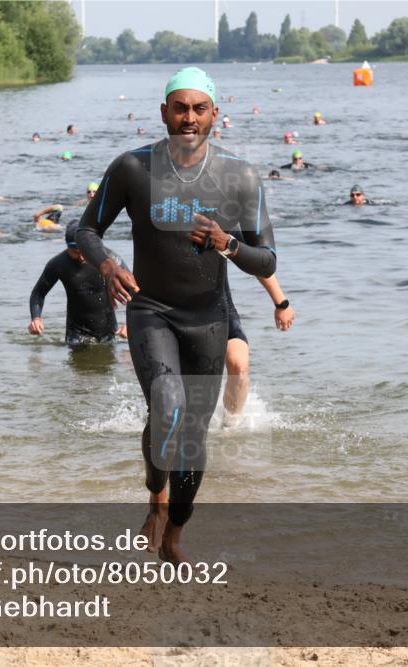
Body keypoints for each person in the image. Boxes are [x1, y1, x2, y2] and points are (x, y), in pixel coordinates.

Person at [75, 67, 276, 564]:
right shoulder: (132, 168)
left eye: (199, 109)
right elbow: (85, 230)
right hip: (151, 309)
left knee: (193, 439)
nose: (189, 118)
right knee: (166, 403)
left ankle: (174, 535)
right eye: (180, 108)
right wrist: (108, 264)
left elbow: (267, 260)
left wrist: (227, 243)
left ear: (214, 114)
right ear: (164, 112)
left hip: (208, 318)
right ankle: (155, 498)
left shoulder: (240, 176)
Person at [29, 222, 127, 347]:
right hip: (76, 334)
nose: (81, 257)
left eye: (84, 252)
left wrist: (130, 323)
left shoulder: (109, 259)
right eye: (75, 252)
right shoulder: (58, 264)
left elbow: (134, 290)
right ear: (67, 247)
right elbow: (38, 293)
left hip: (109, 332)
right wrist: (36, 318)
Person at [222, 274, 294, 427]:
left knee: (239, 365)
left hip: (218, 307)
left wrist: (281, 303)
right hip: (171, 311)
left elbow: (255, 262)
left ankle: (231, 427)